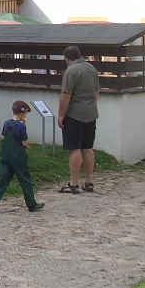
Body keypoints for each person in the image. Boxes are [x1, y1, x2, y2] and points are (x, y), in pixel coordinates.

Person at [0, 100, 45, 213]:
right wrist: (26, 146)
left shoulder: (6, 123)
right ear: (24, 113)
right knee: (25, 178)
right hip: (18, 156)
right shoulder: (21, 126)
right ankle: (31, 204)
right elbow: (24, 142)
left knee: (2, 178)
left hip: (5, 154)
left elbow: (5, 134)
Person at [57, 46, 100, 194]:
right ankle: (89, 181)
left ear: (67, 58)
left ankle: (73, 183)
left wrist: (61, 114)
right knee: (87, 147)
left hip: (75, 113)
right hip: (90, 112)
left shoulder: (71, 71)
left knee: (74, 147)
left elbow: (66, 95)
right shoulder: (92, 69)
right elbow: (96, 92)